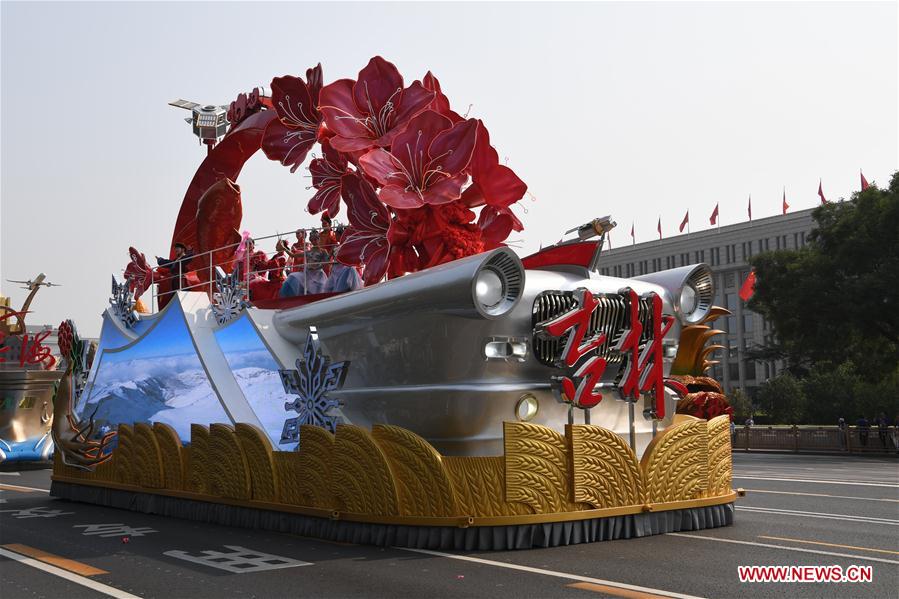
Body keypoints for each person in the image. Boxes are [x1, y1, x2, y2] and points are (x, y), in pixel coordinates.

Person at [279, 230, 329, 297]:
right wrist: (284, 248)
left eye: (316, 239)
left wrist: (318, 266)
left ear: (319, 239)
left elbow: (327, 263)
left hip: (318, 275)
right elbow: (293, 255)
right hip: (308, 274)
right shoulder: (308, 252)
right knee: (292, 276)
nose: (314, 241)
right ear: (311, 240)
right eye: (312, 240)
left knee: (319, 289)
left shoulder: (323, 251)